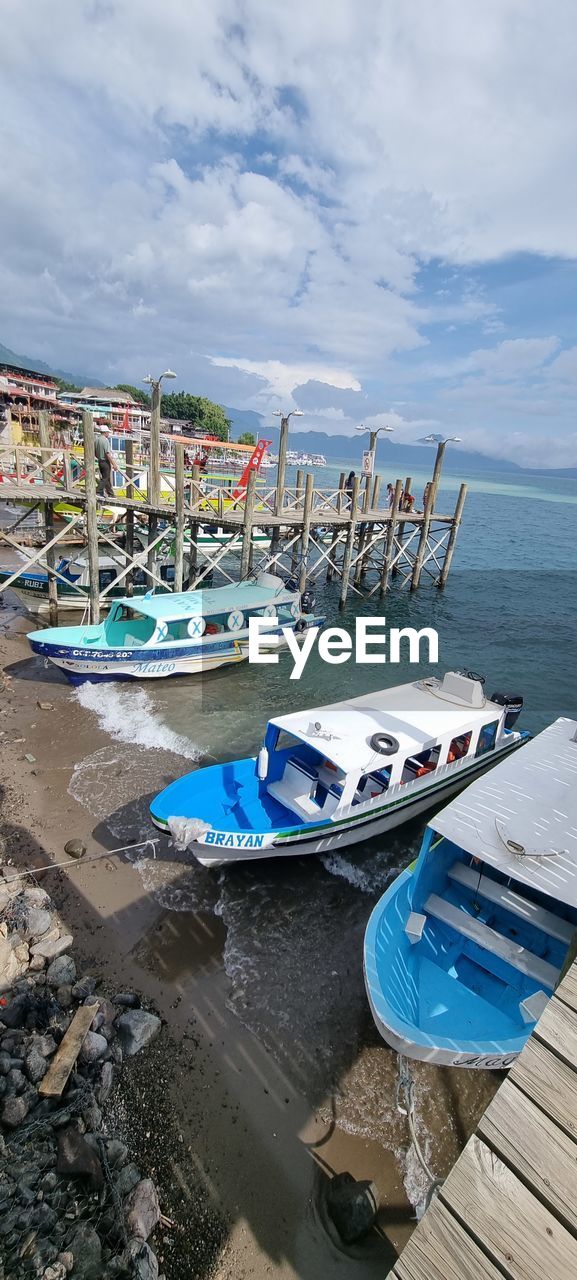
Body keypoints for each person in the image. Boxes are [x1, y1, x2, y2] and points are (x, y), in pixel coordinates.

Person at [94, 423, 116, 497]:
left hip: (100, 461)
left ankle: (111, 494)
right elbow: (107, 453)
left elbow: (95, 453)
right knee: (105, 478)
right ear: (105, 432)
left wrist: (99, 457)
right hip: (105, 461)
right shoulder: (105, 440)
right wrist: (114, 464)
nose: (108, 434)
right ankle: (98, 491)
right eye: (108, 432)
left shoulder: (96, 440)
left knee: (106, 478)